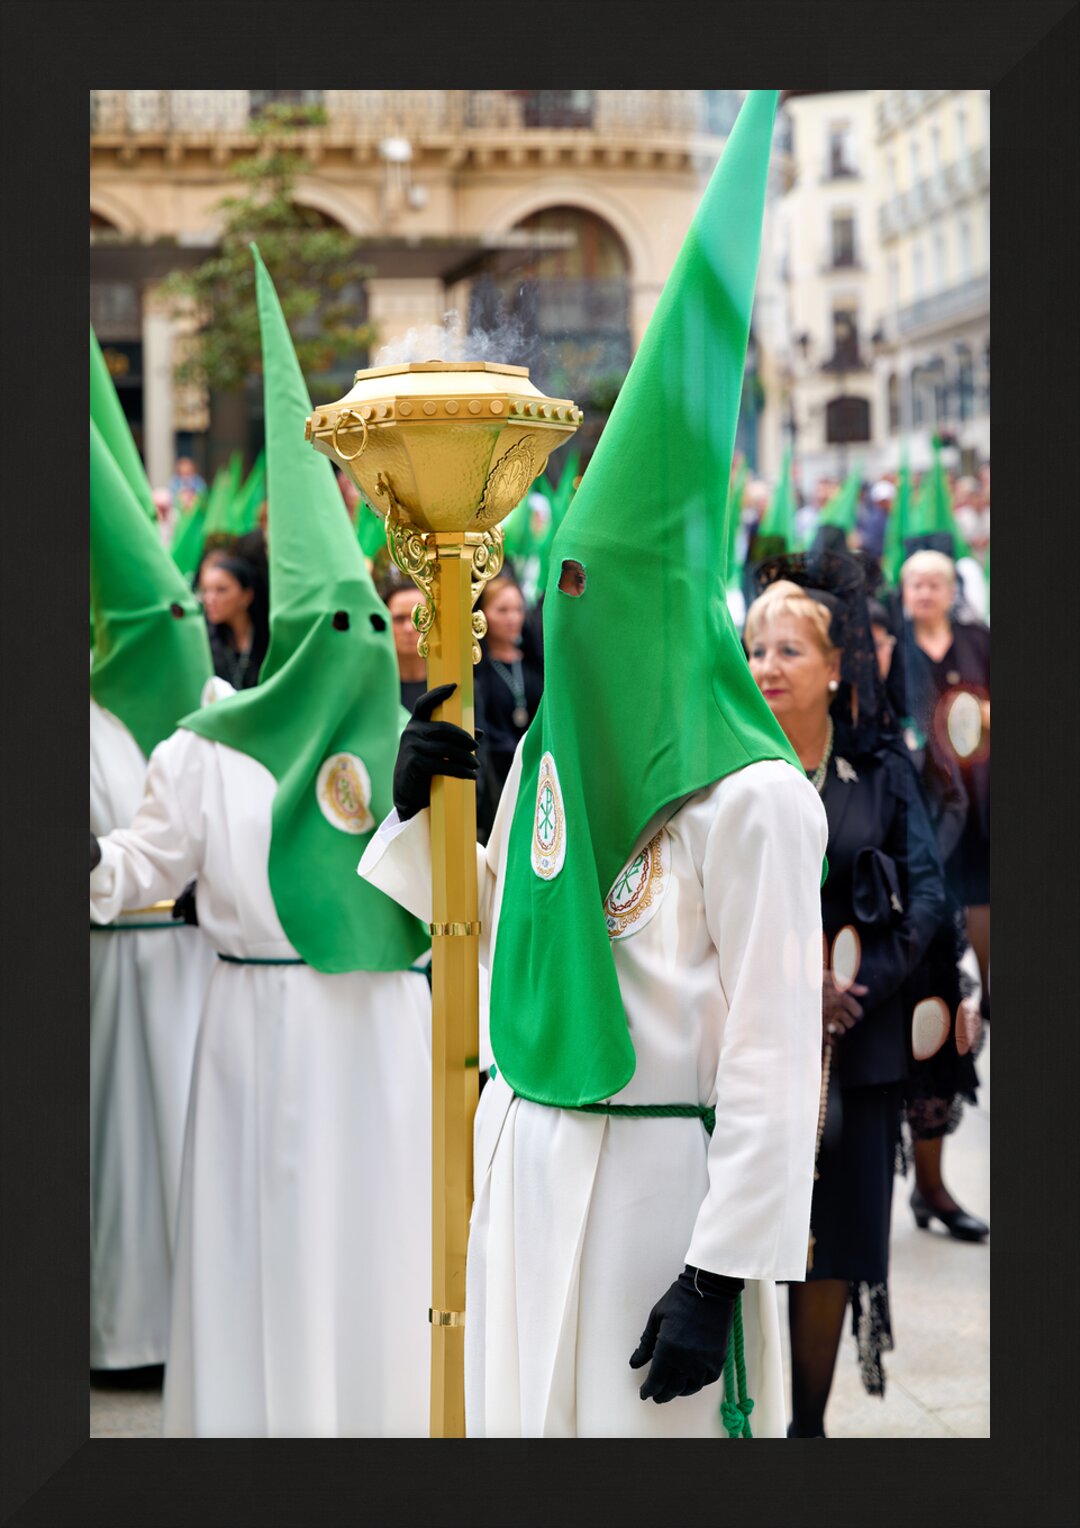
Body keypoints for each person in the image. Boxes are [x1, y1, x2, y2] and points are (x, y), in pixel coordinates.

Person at [362, 90, 828, 1440]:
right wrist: (420, 815)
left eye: (591, 593)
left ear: (657, 612)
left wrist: (721, 1264)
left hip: (656, 1200)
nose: (564, 616)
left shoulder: (754, 800)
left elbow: (774, 1055)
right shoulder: (551, 760)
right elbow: (503, 922)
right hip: (528, 1161)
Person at [91, 249, 433, 1437]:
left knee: (373, 1257)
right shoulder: (200, 751)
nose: (354, 642)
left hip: (378, 1044)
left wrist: (448, 805)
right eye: (329, 624)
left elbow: (462, 906)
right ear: (292, 635)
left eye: (364, 622)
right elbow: (138, 867)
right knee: (261, 1249)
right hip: (251, 1037)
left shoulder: (409, 745)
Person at [745, 550, 946, 1437]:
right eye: (756, 649)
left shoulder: (881, 769)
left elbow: (929, 891)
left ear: (837, 666)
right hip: (751, 1043)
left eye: (790, 650)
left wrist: (858, 984)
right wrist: (790, 987)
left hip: (856, 1050)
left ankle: (808, 1434)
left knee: (833, 1251)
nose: (768, 668)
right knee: (756, 1242)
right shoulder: (733, 764)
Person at [89, 413, 217, 1375]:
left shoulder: (208, 720)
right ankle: (115, 1329)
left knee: (183, 1148)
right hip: (106, 963)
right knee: (116, 1152)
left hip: (189, 959)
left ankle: (179, 1325)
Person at [870, 600, 988, 1241]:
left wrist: (925, 866)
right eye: (870, 639)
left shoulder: (914, 703)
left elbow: (951, 794)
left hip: (929, 904)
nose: (880, 649)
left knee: (936, 1047)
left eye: (886, 638)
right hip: (861, 914)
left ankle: (933, 1189)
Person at [898, 550, 990, 1022]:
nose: (926, 592)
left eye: (936, 583)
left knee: (979, 887)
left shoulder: (978, 639)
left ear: (953, 592)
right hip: (921, 791)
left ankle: (985, 986)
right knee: (931, 886)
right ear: (904, 591)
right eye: (916, 583)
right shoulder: (893, 646)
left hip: (978, 787)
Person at [473, 574, 543, 842]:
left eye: (517, 609)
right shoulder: (478, 671)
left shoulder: (535, 664)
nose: (512, 617)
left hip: (535, 772)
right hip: (498, 779)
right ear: (483, 615)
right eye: (502, 610)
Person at [197, 549, 268, 690]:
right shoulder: (203, 641)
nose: (210, 599)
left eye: (221, 590)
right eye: (205, 590)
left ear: (246, 595)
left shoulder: (269, 638)